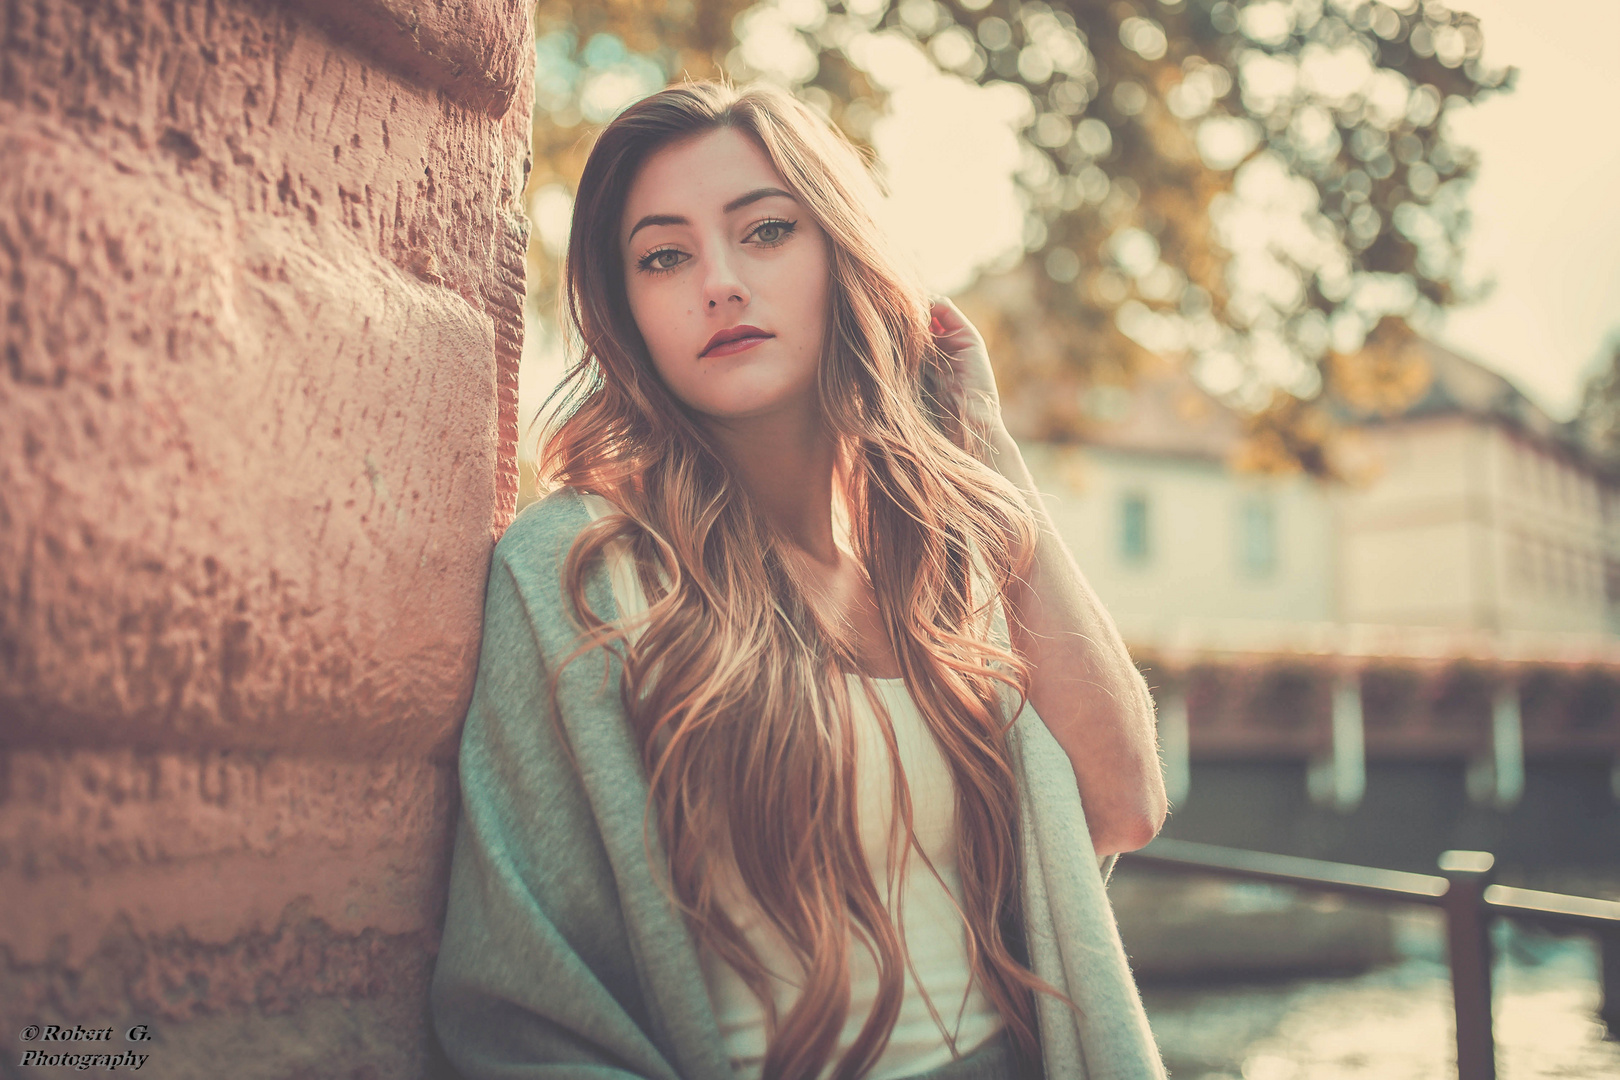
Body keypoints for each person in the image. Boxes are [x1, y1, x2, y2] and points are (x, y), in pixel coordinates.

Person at [430, 81, 1169, 1080]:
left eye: (766, 231)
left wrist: (988, 454)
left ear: (843, 259)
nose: (719, 283)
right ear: (629, 312)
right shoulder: (583, 573)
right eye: (664, 256)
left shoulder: (937, 568)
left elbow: (1124, 803)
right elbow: (522, 1002)